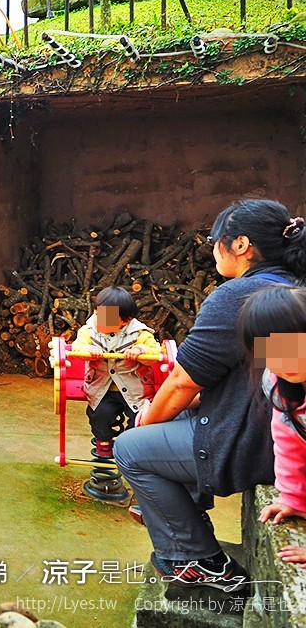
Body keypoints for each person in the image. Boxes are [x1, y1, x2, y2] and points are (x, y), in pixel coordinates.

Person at [116, 200, 306, 589]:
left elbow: (185, 382)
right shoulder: (291, 286)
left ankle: (198, 561)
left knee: (131, 448)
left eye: (214, 240)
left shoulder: (238, 296)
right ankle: (181, 518)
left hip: (257, 440)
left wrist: (146, 418)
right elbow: (235, 378)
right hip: (274, 432)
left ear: (240, 244)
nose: (211, 248)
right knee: (173, 425)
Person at [240, 285, 306, 568]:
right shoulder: (279, 387)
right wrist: (293, 498)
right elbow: (289, 444)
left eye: (293, 346)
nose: (283, 360)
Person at [70, 287, 162, 461]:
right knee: (99, 414)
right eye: (98, 314)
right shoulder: (89, 331)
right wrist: (88, 350)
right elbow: (77, 348)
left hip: (135, 390)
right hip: (101, 389)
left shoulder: (140, 334)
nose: (99, 321)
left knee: (140, 418)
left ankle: (129, 444)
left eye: (107, 318)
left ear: (125, 321)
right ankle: (103, 441)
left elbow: (154, 353)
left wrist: (140, 350)